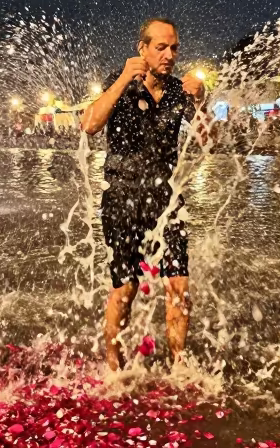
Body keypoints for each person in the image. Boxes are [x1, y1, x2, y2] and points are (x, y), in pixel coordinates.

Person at [81, 18, 206, 371]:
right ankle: (113, 363)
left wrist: (201, 102)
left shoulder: (180, 92)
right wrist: (121, 80)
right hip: (121, 197)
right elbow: (89, 124)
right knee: (126, 288)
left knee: (179, 285)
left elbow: (207, 139)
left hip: (166, 198)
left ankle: (179, 364)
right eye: (160, 47)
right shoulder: (120, 84)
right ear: (143, 49)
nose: (169, 55)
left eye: (174, 48)